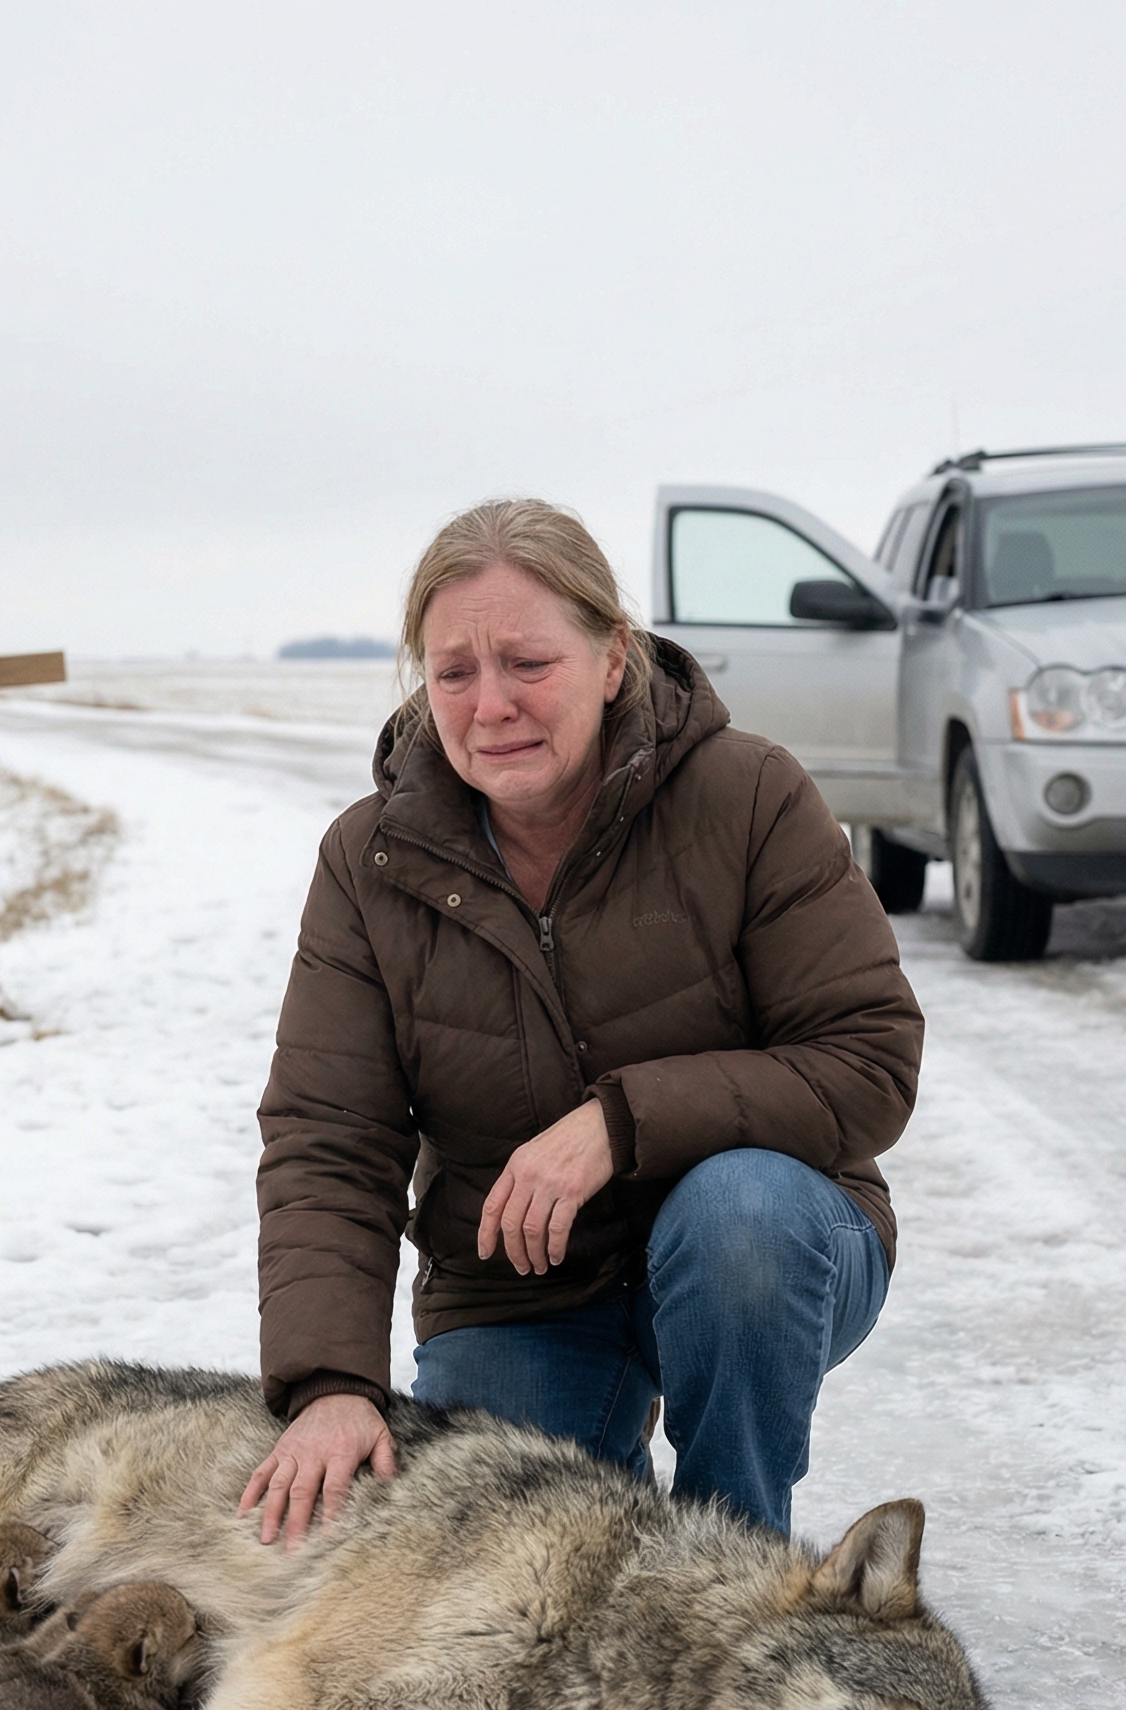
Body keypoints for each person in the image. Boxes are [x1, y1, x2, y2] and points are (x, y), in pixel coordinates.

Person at [240, 498, 923, 1548]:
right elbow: (328, 1139)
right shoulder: (368, 861)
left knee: (737, 1218)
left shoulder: (747, 798)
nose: (489, 705)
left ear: (612, 660)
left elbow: (866, 1058)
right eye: (453, 672)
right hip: (520, 1291)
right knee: (496, 1559)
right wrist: (330, 1383)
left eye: (527, 663)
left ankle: (735, 1564)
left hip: (765, 1248)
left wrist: (618, 1123)